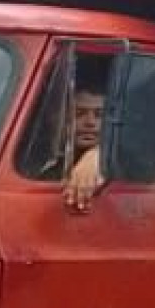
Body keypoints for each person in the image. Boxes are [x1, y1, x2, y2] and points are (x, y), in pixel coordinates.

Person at [63, 79, 107, 211]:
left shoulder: (122, 165)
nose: (90, 122)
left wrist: (100, 156)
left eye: (99, 115)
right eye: (79, 113)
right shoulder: (42, 165)